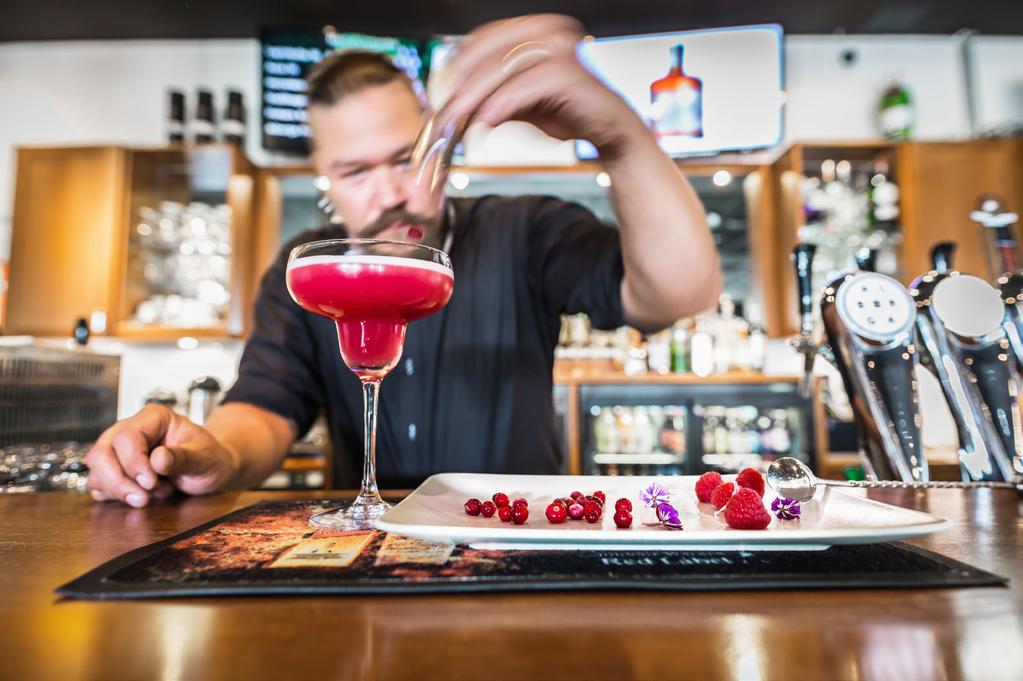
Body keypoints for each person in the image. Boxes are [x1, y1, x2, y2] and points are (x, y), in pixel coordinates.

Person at [86, 14, 721, 507]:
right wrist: (214, 454)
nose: (388, 191)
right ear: (324, 180)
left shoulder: (524, 230)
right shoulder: (306, 270)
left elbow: (677, 296)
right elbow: (266, 405)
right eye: (354, 171)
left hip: (516, 548)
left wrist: (619, 136)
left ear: (438, 141)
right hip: (369, 557)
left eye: (403, 157)